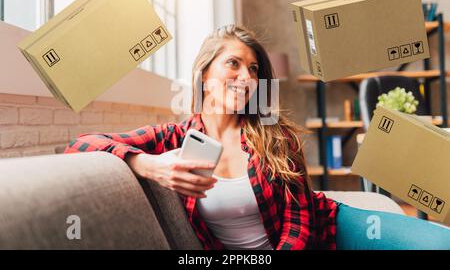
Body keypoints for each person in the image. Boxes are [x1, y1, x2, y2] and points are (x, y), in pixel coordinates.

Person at [65, 24, 450, 250]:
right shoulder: (174, 139)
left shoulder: (273, 133)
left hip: (328, 226)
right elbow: (79, 145)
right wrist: (146, 163)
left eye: (254, 69)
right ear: (205, 74)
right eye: (233, 64)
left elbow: (299, 220)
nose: (247, 78)